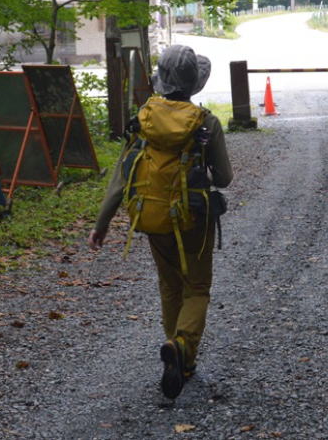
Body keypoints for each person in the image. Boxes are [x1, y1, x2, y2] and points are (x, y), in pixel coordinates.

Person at [88, 44, 232, 399]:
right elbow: (224, 178)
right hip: (193, 219)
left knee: (170, 286)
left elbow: (121, 178)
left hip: (152, 216)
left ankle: (179, 355)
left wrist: (101, 224)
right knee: (196, 288)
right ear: (193, 82)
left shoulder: (143, 118)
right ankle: (181, 348)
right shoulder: (205, 122)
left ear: (162, 79)